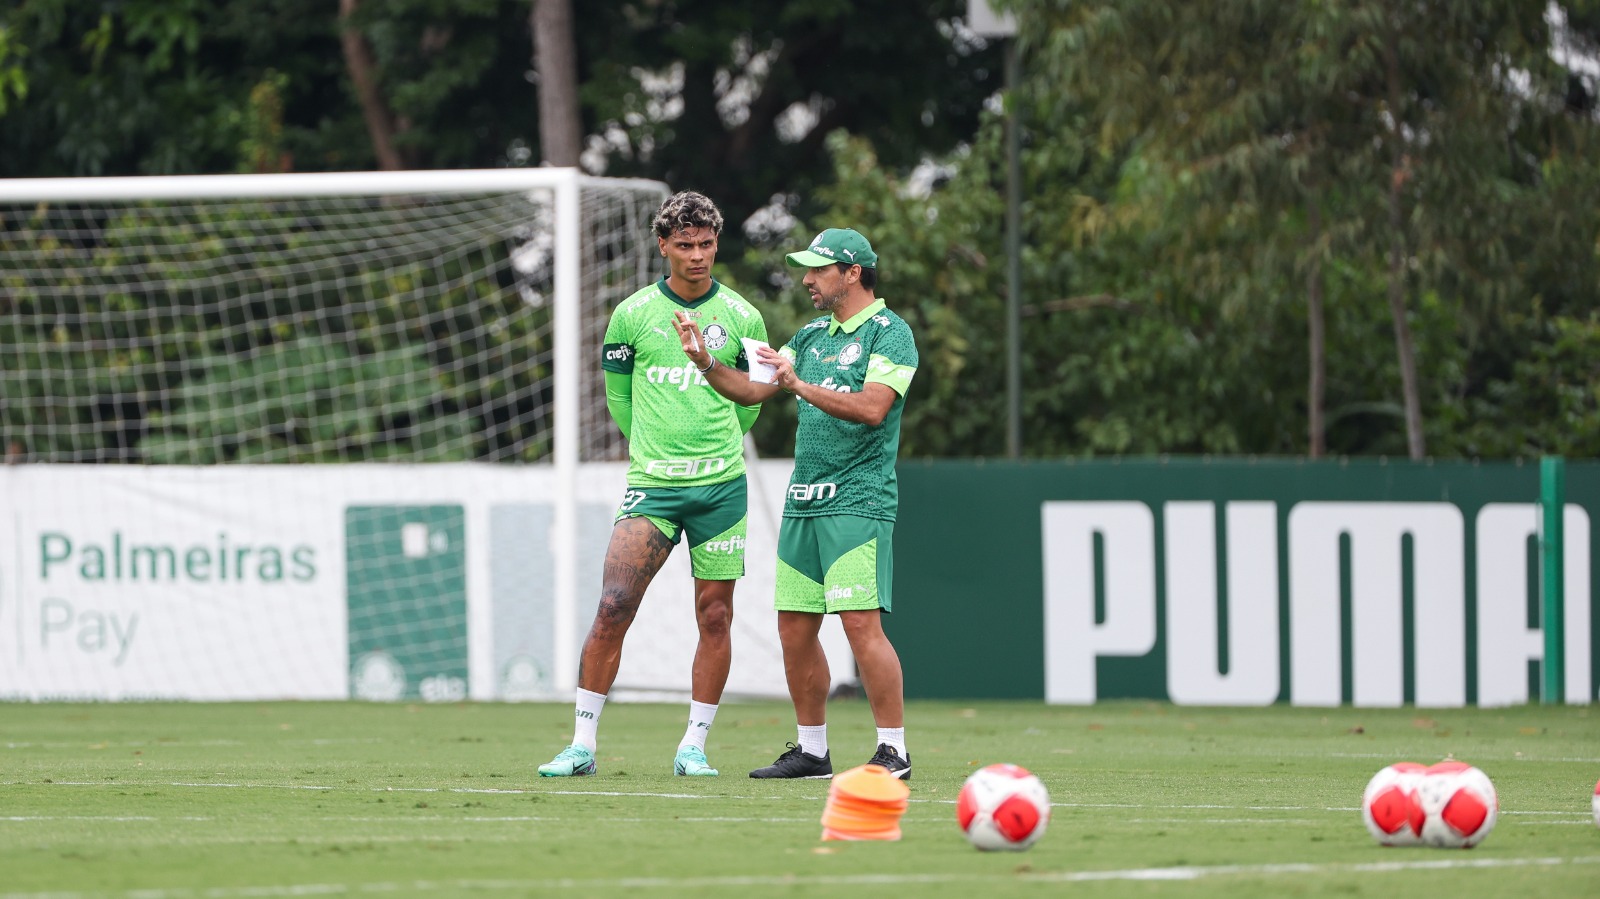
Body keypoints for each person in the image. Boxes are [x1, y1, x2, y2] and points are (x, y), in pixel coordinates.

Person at [672, 227, 918, 781]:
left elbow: (873, 408)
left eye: (817, 270)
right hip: (804, 504)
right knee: (795, 629)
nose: (806, 279)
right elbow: (755, 389)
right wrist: (706, 362)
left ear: (852, 273)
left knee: (860, 625)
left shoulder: (890, 333)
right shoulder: (808, 337)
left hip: (859, 501)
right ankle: (812, 751)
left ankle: (894, 752)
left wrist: (798, 385)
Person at [539, 191, 768, 778]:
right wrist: (654, 448)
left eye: (707, 244)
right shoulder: (634, 314)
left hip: (722, 487)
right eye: (685, 245)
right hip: (653, 486)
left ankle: (693, 745)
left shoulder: (742, 316)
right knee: (614, 606)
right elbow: (618, 394)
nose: (697, 256)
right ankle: (582, 745)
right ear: (662, 245)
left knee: (715, 616)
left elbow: (752, 404)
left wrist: (712, 441)